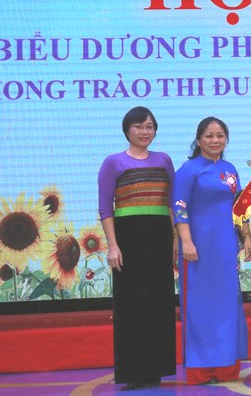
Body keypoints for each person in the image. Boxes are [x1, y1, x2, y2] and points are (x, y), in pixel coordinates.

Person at [98, 106, 177, 389]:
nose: (145, 132)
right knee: (132, 306)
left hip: (159, 239)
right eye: (139, 127)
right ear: (127, 130)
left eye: (149, 127)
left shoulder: (164, 160)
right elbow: (105, 208)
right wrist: (113, 246)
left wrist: (175, 240)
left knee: (160, 304)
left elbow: (171, 204)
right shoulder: (113, 163)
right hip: (128, 241)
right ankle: (133, 373)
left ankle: (156, 369)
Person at [172, 116, 251, 385]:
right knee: (200, 307)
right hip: (197, 249)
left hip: (225, 247)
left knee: (227, 305)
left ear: (226, 140)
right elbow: (179, 207)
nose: (215, 140)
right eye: (209, 135)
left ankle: (227, 368)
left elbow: (240, 208)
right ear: (199, 140)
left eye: (220, 135)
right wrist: (186, 241)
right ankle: (202, 370)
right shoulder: (188, 170)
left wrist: (247, 238)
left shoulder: (230, 170)